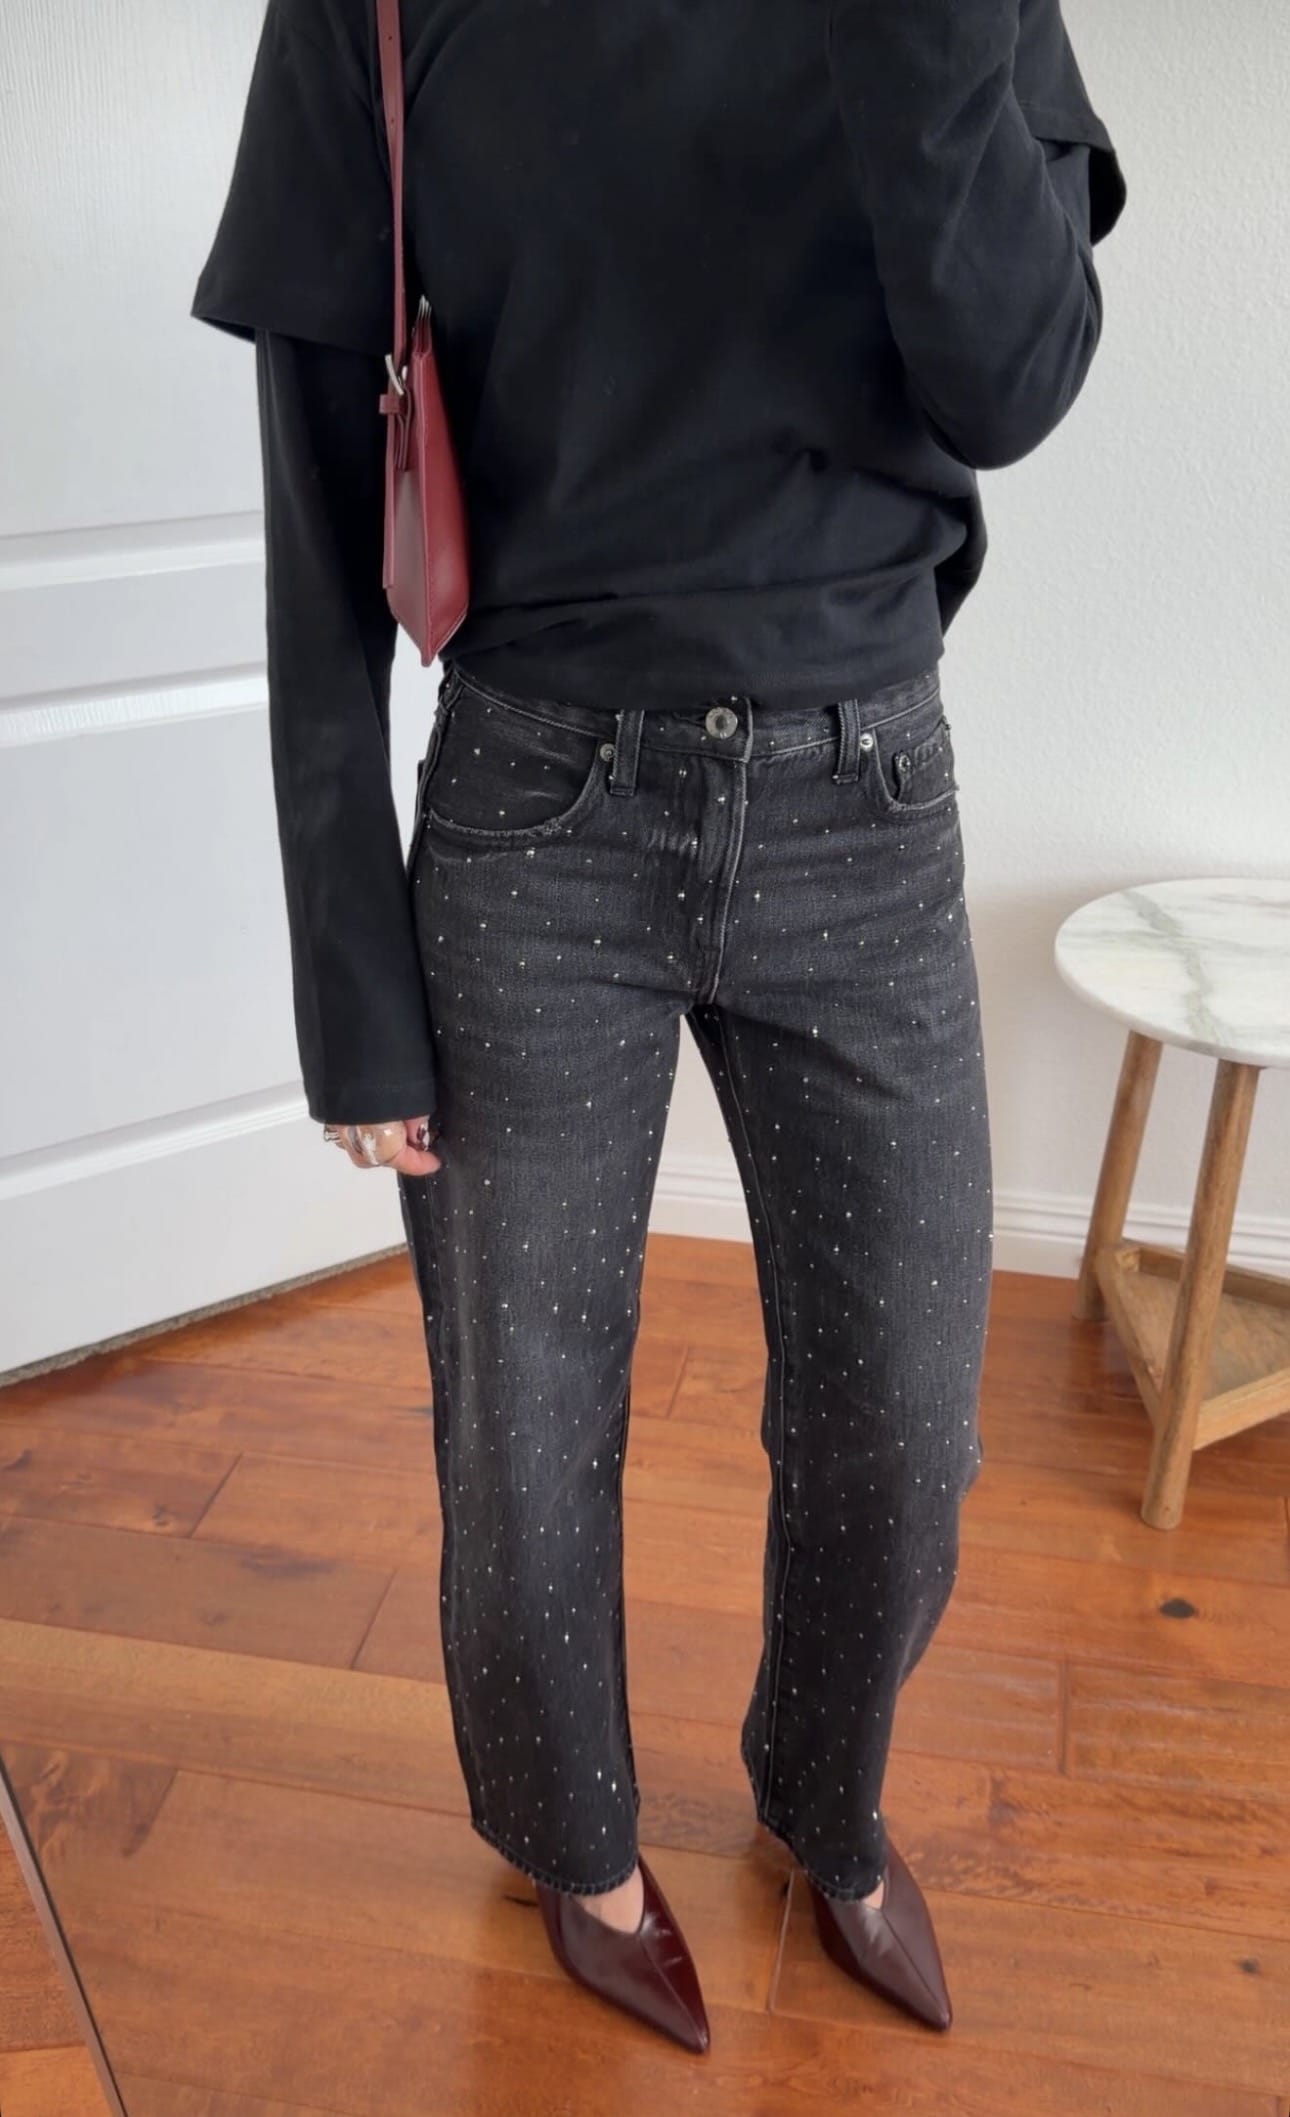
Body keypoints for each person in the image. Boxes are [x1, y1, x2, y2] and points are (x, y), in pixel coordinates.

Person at [191, 0, 1125, 2056]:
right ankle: (580, 1847)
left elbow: (1012, 378)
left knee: (904, 1428)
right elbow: (315, 487)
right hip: (535, 816)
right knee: (522, 1438)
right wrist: (351, 982)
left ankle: (824, 1794)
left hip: (863, 803)